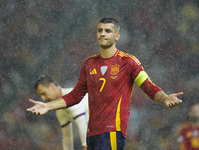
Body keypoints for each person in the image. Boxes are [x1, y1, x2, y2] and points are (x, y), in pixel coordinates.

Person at [27, 17, 183, 150]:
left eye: (108, 31)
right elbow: (75, 95)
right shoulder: (88, 64)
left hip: (112, 130)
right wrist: (48, 106)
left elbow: (148, 86)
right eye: (100, 30)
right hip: (92, 133)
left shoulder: (128, 62)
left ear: (117, 36)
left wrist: (164, 98)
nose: (103, 33)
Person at [34, 76, 88, 150]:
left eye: (44, 93)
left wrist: (85, 147)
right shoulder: (59, 110)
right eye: (41, 96)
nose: (43, 98)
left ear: (52, 86)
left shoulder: (71, 96)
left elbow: (82, 124)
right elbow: (67, 138)